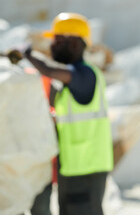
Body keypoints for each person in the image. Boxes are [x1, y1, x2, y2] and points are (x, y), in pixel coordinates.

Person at [24, 12, 114, 215]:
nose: (52, 45)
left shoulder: (85, 74)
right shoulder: (73, 78)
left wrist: (28, 54)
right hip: (74, 168)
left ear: (73, 43)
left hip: (86, 169)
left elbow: (50, 70)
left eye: (56, 39)